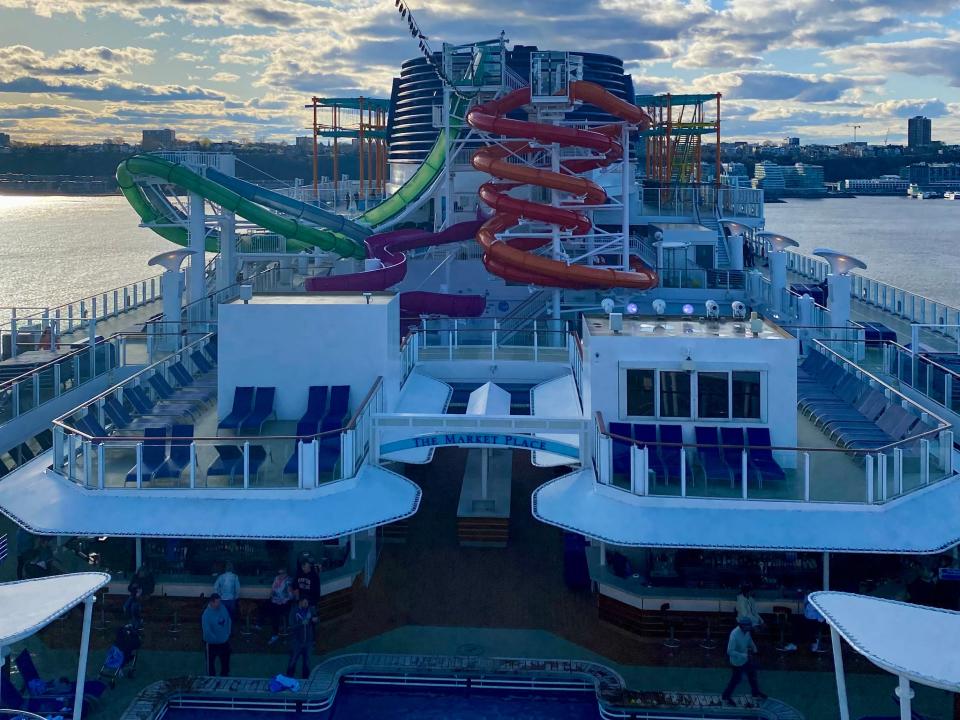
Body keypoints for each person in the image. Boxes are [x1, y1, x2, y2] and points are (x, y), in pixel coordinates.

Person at [722, 617, 766, 703]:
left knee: (752, 676)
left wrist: (755, 649)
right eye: (748, 626)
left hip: (746, 660)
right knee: (736, 680)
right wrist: (743, 655)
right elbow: (730, 651)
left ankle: (755, 693)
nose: (750, 627)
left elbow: (749, 640)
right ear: (743, 626)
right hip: (737, 662)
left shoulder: (747, 631)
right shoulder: (734, 635)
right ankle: (725, 696)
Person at [286, 596, 318, 679]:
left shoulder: (311, 609)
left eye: (307, 603)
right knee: (293, 660)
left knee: (307, 661)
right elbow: (291, 625)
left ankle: (305, 677)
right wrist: (301, 623)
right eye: (305, 603)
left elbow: (316, 619)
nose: (306, 604)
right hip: (297, 641)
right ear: (300, 602)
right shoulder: (294, 611)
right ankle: (289, 676)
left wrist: (316, 620)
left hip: (308, 641)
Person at [202, 594, 232, 677]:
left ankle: (225, 677)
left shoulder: (222, 607)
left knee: (225, 663)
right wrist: (216, 639)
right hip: (212, 645)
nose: (219, 604)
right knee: (210, 665)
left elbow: (228, 620)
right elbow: (207, 631)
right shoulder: (206, 614)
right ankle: (211, 680)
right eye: (217, 602)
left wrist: (227, 633)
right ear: (211, 602)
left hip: (224, 643)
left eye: (220, 602)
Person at [264, 568, 293, 645]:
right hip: (276, 600)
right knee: (265, 605)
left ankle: (275, 633)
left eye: (282, 573)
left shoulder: (288, 581)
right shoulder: (276, 578)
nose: (280, 575)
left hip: (285, 602)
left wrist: (282, 600)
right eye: (279, 573)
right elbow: (273, 589)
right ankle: (261, 623)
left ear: (286, 573)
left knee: (274, 614)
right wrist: (272, 596)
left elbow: (290, 595)